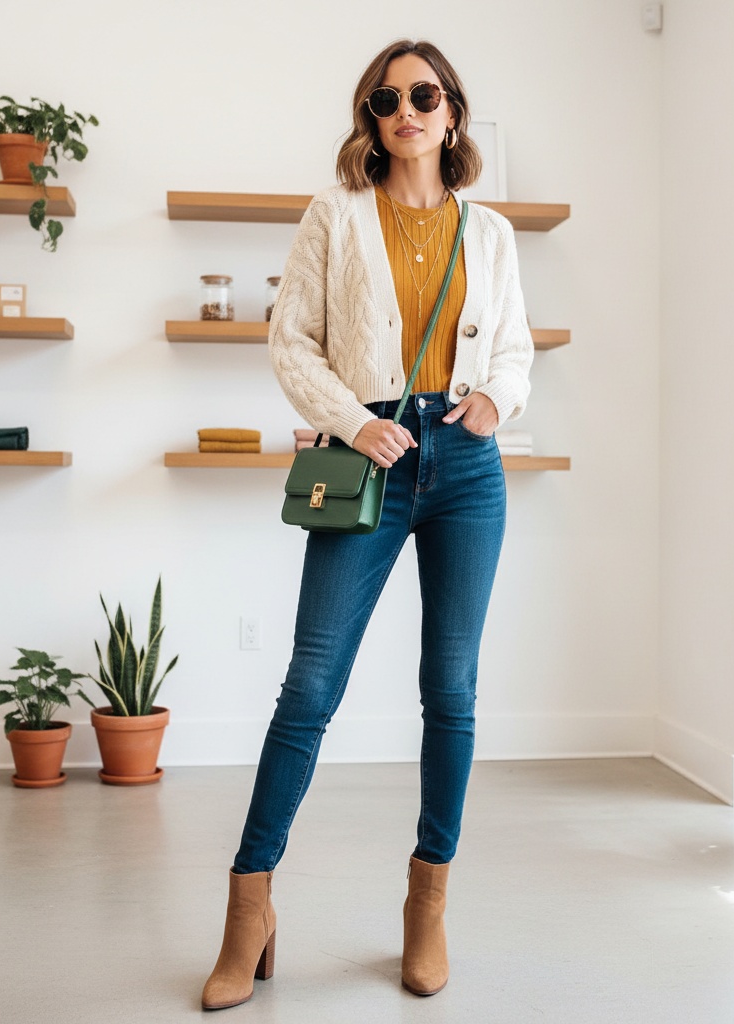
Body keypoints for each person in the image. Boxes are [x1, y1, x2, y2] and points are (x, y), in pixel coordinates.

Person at [201, 38, 533, 1010]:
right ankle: (248, 907)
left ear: (453, 112)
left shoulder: (494, 233)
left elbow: (512, 350)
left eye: (425, 94)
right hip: (367, 455)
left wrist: (496, 403)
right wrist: (352, 420)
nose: (408, 110)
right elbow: (289, 339)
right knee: (309, 683)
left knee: (452, 689)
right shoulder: (334, 217)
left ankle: (426, 902)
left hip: (467, 466)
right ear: (371, 118)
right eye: (388, 98)